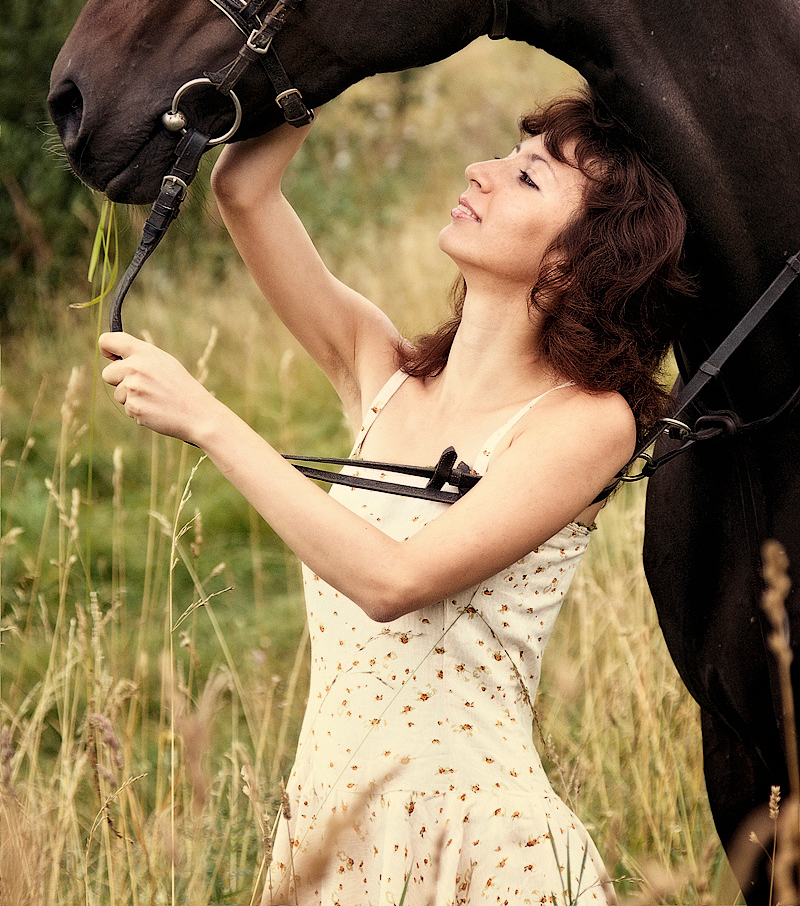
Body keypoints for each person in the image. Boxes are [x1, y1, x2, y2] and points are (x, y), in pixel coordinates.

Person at [100, 89, 691, 905]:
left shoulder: (587, 424)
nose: (480, 173)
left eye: (527, 179)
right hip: (330, 836)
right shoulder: (385, 374)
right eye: (503, 157)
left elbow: (395, 582)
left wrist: (209, 421)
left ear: (577, 261)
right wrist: (308, 69)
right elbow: (243, 194)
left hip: (480, 851)